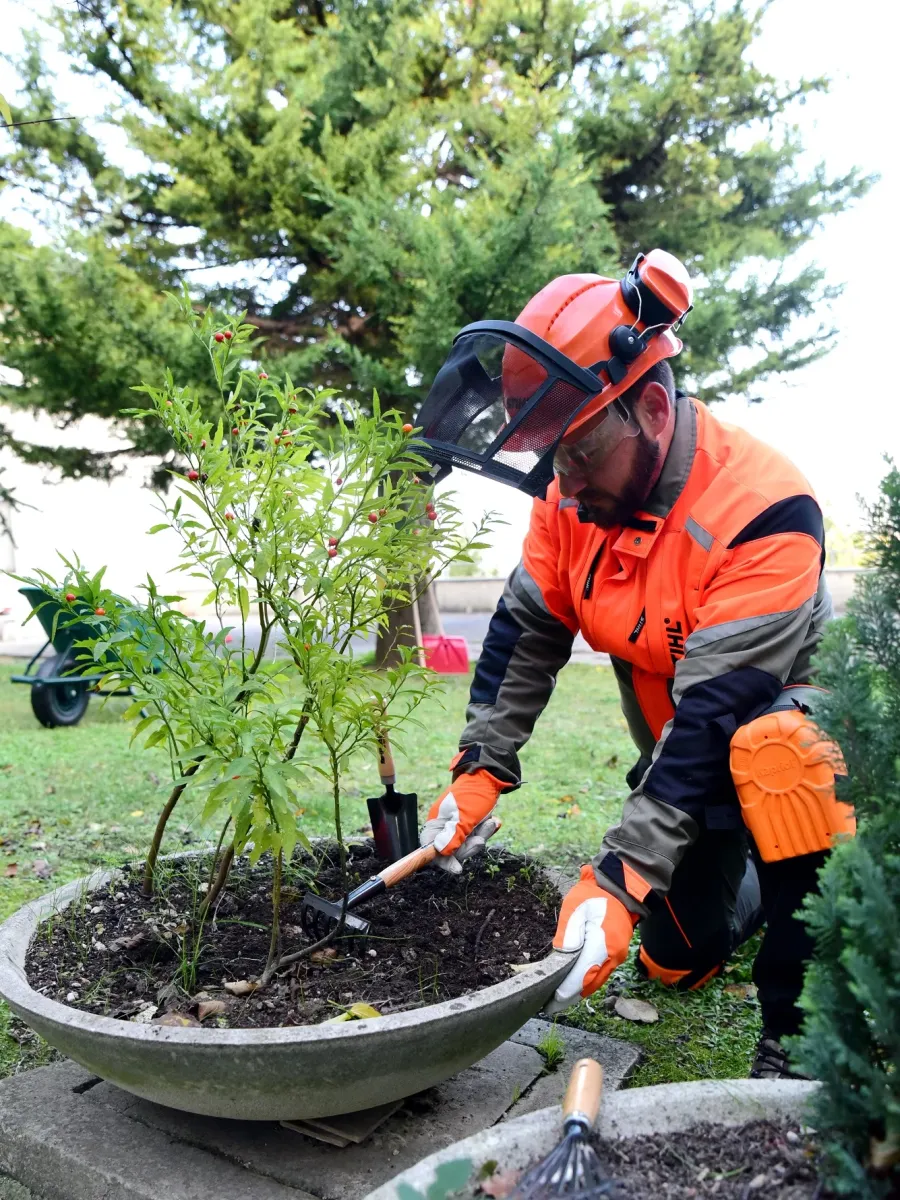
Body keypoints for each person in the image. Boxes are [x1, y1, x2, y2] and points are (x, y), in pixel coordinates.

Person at [417, 250, 851, 1079]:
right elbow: (524, 633)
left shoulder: (763, 508)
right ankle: (750, 877)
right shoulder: (566, 500)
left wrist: (618, 877)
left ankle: (797, 1037)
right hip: (686, 755)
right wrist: (480, 769)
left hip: (783, 743)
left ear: (651, 406)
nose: (565, 486)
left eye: (577, 453)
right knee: (675, 960)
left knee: (775, 759)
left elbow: (716, 718)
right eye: (551, 460)